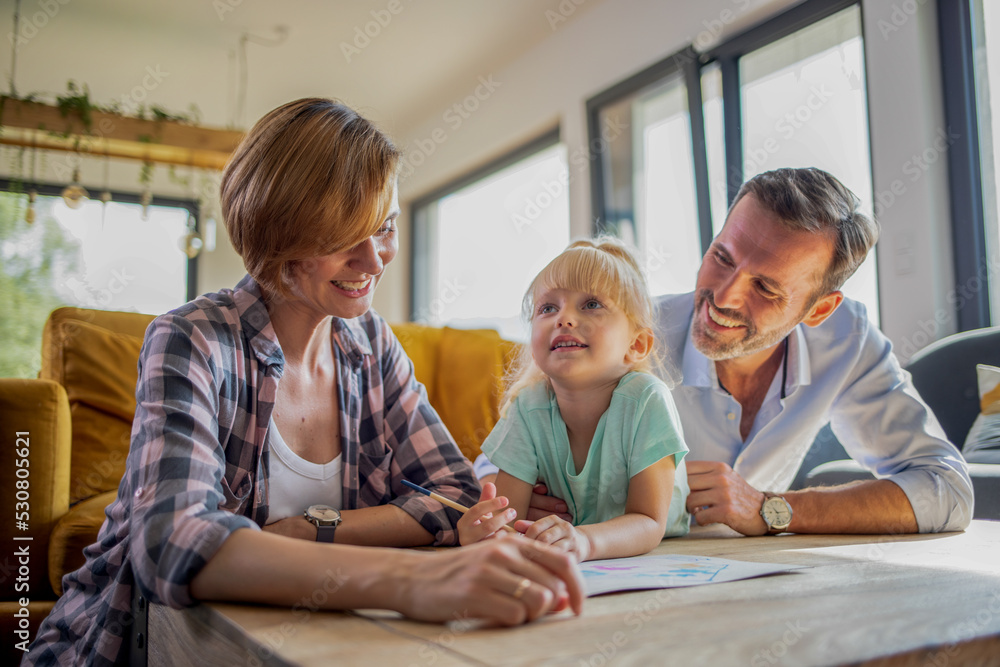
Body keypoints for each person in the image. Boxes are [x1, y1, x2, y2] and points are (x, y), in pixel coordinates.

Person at [24, 98, 583, 666]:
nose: (374, 260)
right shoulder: (190, 339)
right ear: (277, 235)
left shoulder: (372, 346)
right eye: (344, 236)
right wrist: (411, 579)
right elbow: (171, 543)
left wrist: (312, 530)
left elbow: (452, 497)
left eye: (384, 228)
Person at [476, 167, 973, 536]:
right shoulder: (623, 332)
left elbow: (948, 491)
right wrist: (527, 500)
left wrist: (773, 509)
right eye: (722, 257)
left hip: (748, 576)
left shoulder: (847, 340)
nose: (725, 297)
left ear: (818, 310)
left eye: (766, 288)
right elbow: (502, 459)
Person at [459, 238, 690, 562]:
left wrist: (583, 541)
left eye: (591, 304)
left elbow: (649, 522)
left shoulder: (647, 398)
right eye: (548, 308)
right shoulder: (527, 408)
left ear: (636, 344)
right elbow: (507, 519)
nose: (564, 318)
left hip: (666, 549)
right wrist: (484, 533)